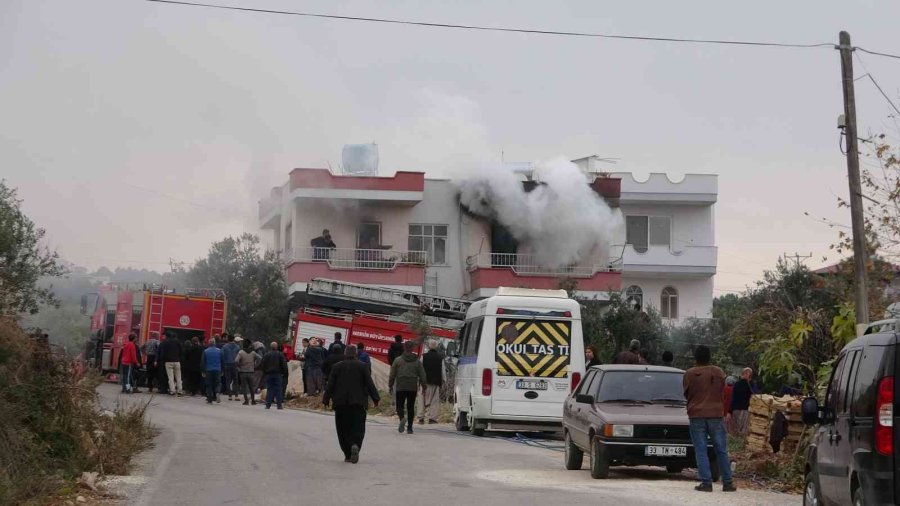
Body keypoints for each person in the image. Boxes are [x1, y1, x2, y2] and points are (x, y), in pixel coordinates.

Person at [683, 345, 736, 493]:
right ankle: (728, 482)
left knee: (701, 449)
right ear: (709, 357)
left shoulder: (689, 374)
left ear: (695, 358)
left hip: (697, 415)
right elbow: (722, 390)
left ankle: (706, 482)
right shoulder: (718, 372)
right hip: (716, 414)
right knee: (721, 449)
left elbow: (687, 394)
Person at [323, 345, 380, 463]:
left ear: (345, 354)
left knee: (342, 429)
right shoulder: (363, 366)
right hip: (358, 403)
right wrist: (375, 398)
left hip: (340, 403)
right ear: (356, 354)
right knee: (358, 427)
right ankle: (356, 444)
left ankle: (347, 454)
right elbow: (369, 383)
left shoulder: (336, 367)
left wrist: (326, 399)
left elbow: (330, 384)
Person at [389, 340, 427, 434]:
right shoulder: (417, 361)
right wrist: (424, 386)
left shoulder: (398, 360)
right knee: (410, 407)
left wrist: (390, 385)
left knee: (399, 406)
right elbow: (423, 375)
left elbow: (392, 374)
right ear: (412, 348)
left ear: (404, 348)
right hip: (412, 387)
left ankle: (402, 418)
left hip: (400, 386)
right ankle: (410, 428)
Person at [418, 339, 444, 425]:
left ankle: (421, 418)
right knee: (434, 401)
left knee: (421, 400)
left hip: (424, 383)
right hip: (435, 383)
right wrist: (443, 381)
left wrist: (419, 380)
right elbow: (443, 371)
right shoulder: (440, 358)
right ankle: (432, 418)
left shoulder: (423, 356)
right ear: (436, 347)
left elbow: (420, 369)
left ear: (429, 346)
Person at [261, 342, 288, 409]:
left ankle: (268, 405)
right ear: (276, 347)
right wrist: (284, 373)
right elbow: (284, 364)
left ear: (271, 347)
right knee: (278, 389)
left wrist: (265, 372)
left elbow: (263, 364)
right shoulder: (280, 354)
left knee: (270, 389)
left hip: (269, 374)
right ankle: (279, 405)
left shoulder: (267, 354)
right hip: (278, 374)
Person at [728, 368, 754, 438]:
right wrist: (730, 411)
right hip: (741, 409)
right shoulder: (741, 384)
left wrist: (730, 411)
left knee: (739, 430)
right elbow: (733, 397)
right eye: (746, 373)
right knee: (739, 430)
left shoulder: (747, 384)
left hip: (742, 409)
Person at [235, 340, 260, 405]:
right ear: (249, 345)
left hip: (243, 372)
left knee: (244, 387)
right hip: (251, 372)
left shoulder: (241, 352)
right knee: (251, 387)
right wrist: (256, 366)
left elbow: (236, 361)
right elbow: (260, 358)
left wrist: (239, 367)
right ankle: (253, 401)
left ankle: (246, 401)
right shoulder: (253, 353)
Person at [201, 339, 223, 404]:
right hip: (218, 369)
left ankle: (209, 399)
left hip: (208, 370)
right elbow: (222, 361)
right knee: (218, 383)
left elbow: (203, 362)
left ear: (209, 344)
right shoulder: (219, 351)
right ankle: (217, 392)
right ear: (214, 343)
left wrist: (203, 371)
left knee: (209, 384)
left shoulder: (205, 351)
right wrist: (222, 370)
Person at [222, 334, 241, 401]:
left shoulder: (224, 347)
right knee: (236, 380)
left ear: (228, 339)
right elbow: (239, 357)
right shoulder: (238, 347)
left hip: (227, 364)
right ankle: (236, 396)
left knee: (228, 380)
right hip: (235, 365)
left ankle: (229, 396)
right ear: (233, 339)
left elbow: (222, 356)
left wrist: (223, 364)